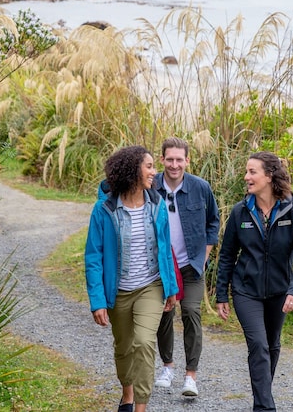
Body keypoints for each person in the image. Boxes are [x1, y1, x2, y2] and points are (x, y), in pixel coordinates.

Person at [215, 151, 293, 412]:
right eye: (247, 172)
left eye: (252, 172)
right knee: (258, 345)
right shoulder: (240, 212)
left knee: (272, 345)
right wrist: (221, 294)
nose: (246, 177)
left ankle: (263, 396)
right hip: (246, 290)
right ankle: (265, 407)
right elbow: (226, 256)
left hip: (280, 290)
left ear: (269, 176)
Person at [85, 145, 179, 412]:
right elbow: (93, 256)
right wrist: (97, 300)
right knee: (124, 346)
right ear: (132, 170)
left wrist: (171, 288)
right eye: (149, 166)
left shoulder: (157, 204)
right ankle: (127, 394)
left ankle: (140, 406)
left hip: (150, 286)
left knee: (144, 343)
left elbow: (165, 248)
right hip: (119, 291)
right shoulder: (104, 209)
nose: (154, 171)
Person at [152, 137, 220, 397]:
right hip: (162, 267)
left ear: (187, 161)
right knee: (164, 314)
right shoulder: (150, 187)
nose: (174, 164)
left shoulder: (200, 187)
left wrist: (204, 256)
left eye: (179, 159)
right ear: (162, 160)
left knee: (191, 312)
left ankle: (191, 376)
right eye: (169, 159)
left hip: (191, 265)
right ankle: (167, 367)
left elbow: (213, 222)